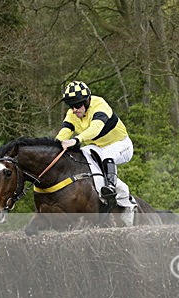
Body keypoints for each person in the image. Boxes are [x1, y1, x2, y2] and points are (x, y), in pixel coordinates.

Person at [56, 81, 137, 225]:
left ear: (87, 101)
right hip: (97, 147)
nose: (74, 109)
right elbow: (65, 131)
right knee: (79, 156)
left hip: (121, 145)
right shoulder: (72, 113)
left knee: (107, 155)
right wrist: (54, 147)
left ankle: (111, 188)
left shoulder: (100, 105)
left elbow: (96, 128)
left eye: (78, 105)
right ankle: (110, 189)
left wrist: (76, 139)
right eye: (71, 106)